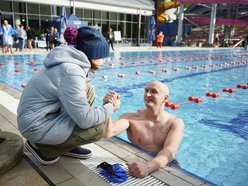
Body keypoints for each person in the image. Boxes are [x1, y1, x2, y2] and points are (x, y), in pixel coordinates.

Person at [17, 26, 120, 165]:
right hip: (35, 126)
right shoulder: (72, 71)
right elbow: (85, 120)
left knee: (88, 90)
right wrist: (110, 107)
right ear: (90, 54)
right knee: (98, 129)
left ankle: (66, 145)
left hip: (40, 117)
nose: (104, 60)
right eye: (101, 56)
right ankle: (44, 148)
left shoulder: (69, 63)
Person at [103, 81, 184, 178]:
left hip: (165, 164)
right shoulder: (131, 118)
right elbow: (108, 132)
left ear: (165, 98)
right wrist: (108, 108)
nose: (147, 94)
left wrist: (148, 167)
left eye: (153, 92)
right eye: (146, 91)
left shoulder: (175, 123)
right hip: (139, 161)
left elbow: (170, 151)